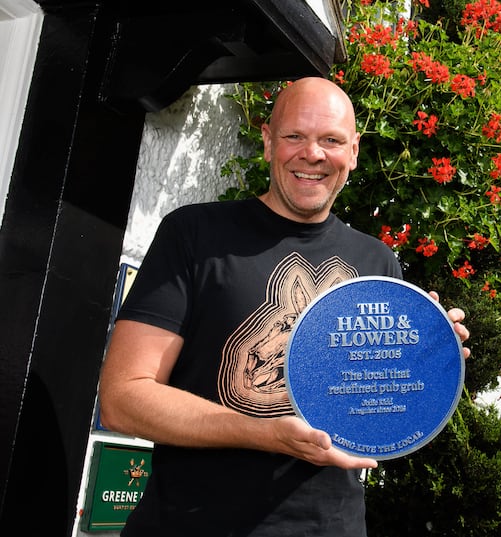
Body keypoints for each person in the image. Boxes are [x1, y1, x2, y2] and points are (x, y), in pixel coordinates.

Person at [98, 76, 470, 536]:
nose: (312, 154)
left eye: (331, 140)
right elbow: (123, 399)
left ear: (353, 151)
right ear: (269, 140)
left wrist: (431, 353)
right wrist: (266, 434)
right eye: (295, 135)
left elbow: (378, 396)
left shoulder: (378, 262)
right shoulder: (195, 235)